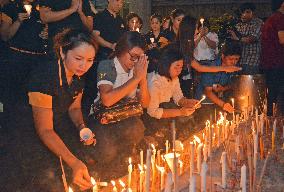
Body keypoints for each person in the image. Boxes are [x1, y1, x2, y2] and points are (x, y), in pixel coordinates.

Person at [27, 28, 97, 191]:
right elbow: (44, 130)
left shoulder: (78, 74)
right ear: (62, 52)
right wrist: (74, 163)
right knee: (51, 179)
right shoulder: (44, 76)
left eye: (90, 60)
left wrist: (82, 127)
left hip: (56, 124)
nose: (84, 65)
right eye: (78, 58)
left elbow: (74, 107)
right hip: (31, 130)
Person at [88, 31, 150, 164]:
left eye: (140, 58)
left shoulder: (137, 69)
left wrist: (143, 79)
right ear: (121, 50)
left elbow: (145, 104)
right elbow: (107, 100)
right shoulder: (108, 65)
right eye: (133, 56)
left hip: (125, 117)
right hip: (102, 118)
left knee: (137, 129)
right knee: (107, 153)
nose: (135, 61)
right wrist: (136, 78)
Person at [176, 15, 241, 97]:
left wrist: (226, 68)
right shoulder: (179, 47)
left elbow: (200, 67)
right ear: (188, 29)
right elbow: (199, 67)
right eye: (195, 28)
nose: (197, 31)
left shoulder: (186, 45)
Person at [144, 44, 199, 140]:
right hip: (150, 118)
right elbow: (153, 112)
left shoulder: (173, 78)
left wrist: (188, 102)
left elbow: (178, 97)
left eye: (181, 67)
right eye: (176, 67)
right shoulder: (154, 82)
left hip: (165, 109)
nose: (179, 71)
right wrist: (181, 112)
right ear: (166, 65)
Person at [195, 40, 242, 113]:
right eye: (230, 59)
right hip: (204, 103)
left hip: (220, 103)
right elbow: (208, 91)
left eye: (236, 59)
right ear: (223, 56)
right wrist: (223, 105)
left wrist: (224, 88)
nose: (234, 62)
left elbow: (234, 84)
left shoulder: (235, 68)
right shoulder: (211, 67)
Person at [261, 0, 284, 116]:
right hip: (278, 62)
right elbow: (282, 39)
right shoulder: (280, 18)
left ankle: (270, 121)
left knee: (272, 92)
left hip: (269, 62)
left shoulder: (271, 18)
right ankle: (277, 122)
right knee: (278, 92)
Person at [229, 2, 263, 74]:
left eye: (247, 12)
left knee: (250, 83)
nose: (244, 15)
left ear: (252, 13)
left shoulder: (258, 23)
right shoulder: (238, 25)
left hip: (252, 61)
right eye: (242, 12)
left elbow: (252, 39)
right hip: (238, 60)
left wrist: (237, 38)